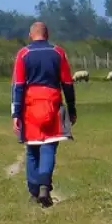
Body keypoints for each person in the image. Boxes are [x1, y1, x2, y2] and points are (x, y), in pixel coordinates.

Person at [12, 21, 77, 207]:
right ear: (47, 35)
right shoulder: (58, 52)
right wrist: (72, 108)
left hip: (30, 106)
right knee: (49, 146)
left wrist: (15, 113)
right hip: (53, 103)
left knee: (32, 149)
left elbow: (18, 86)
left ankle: (34, 192)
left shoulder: (23, 54)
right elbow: (67, 83)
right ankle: (44, 187)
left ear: (30, 35)